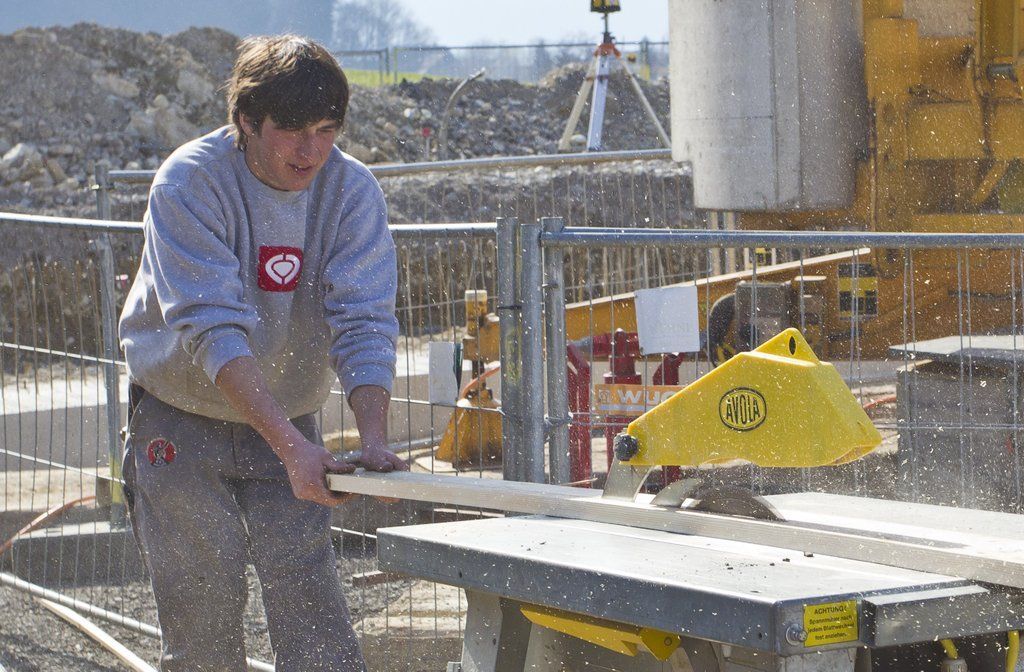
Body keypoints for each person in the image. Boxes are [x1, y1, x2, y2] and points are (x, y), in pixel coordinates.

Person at [118, 34, 407, 671]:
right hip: (179, 414)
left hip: (290, 414)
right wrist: (290, 447)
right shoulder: (191, 182)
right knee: (202, 604)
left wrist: (373, 439)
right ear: (247, 120)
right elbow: (212, 328)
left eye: (326, 131)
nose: (311, 151)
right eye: (292, 131)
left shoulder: (351, 192)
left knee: (310, 598)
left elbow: (364, 319)